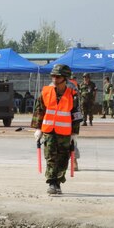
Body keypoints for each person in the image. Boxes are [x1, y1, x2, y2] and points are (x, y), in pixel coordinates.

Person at [32, 63, 83, 196]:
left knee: (63, 159)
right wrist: (38, 128)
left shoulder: (73, 95)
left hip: (65, 133)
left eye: (57, 76)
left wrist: (75, 133)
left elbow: (76, 114)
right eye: (53, 76)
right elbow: (39, 110)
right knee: (50, 158)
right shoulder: (46, 92)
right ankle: (52, 183)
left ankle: (58, 183)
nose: (54, 79)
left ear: (64, 78)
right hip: (49, 131)